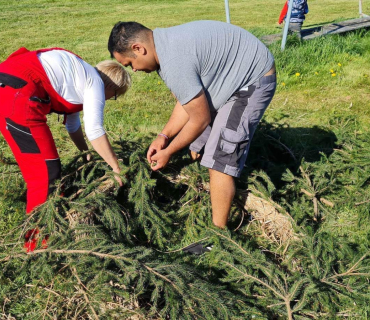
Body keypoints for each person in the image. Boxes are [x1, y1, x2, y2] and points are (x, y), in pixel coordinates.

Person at [108, 20, 275, 245]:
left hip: (251, 81)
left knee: (219, 158)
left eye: (130, 64)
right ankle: (207, 187)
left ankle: (218, 237)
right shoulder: (164, 46)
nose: (134, 69)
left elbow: (200, 118)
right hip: (229, 77)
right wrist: (163, 136)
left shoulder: (173, 61)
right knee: (198, 145)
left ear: (139, 48)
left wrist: (168, 152)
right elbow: (188, 104)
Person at [0, 47, 130, 250]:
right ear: (111, 86)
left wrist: (86, 155)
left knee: (47, 168)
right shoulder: (94, 82)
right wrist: (116, 168)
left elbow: (73, 126)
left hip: (9, 85)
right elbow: (95, 130)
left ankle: (50, 228)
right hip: (18, 95)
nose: (110, 99)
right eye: (114, 95)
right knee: (44, 174)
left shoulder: (78, 76)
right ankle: (37, 245)